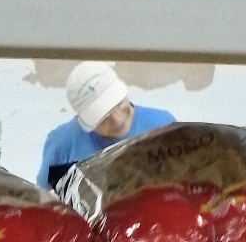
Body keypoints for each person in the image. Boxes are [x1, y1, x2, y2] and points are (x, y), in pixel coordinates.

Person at [37, 62, 175, 189]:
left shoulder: (163, 126)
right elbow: (45, 200)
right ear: (84, 120)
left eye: (119, 104)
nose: (118, 120)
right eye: (104, 118)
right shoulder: (62, 145)